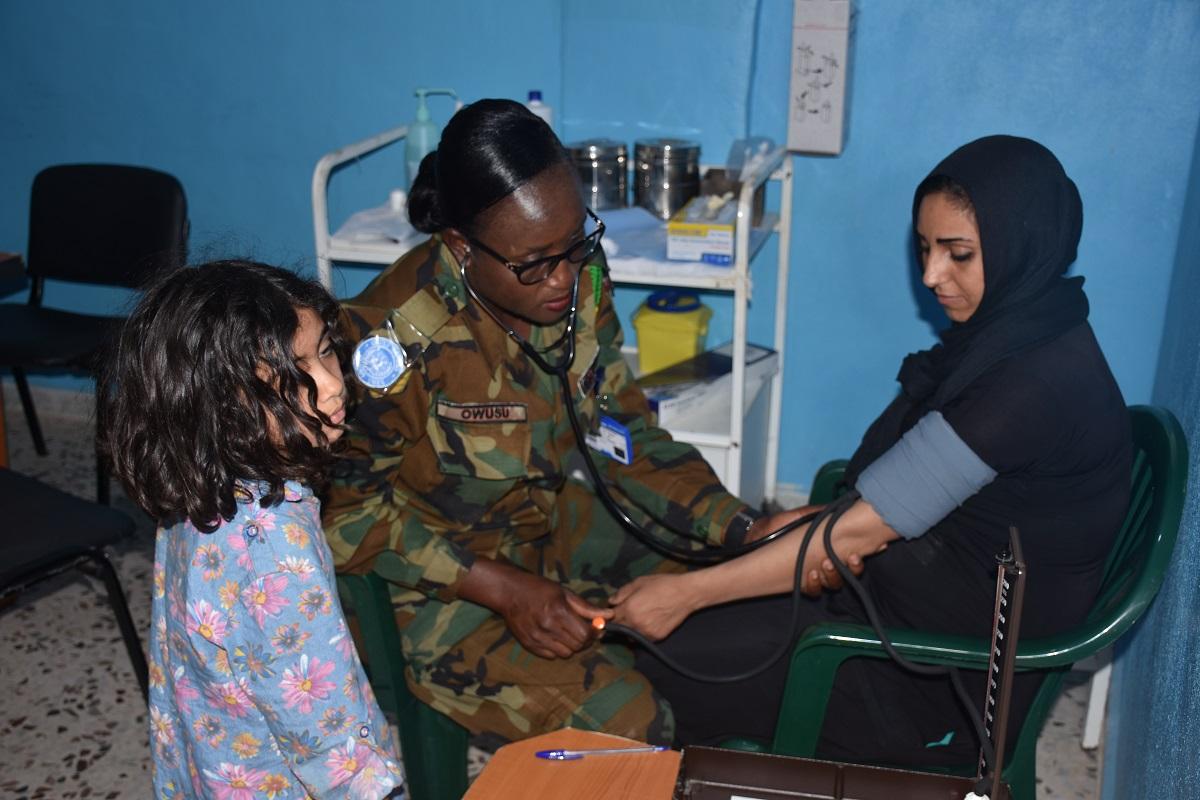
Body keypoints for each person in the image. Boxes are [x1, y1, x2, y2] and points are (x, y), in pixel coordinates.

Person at [611, 135, 1132, 765]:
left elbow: (857, 533)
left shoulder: (1029, 388)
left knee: (648, 666)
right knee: (679, 615)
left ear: (1024, 243)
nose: (931, 275)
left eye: (958, 254)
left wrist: (685, 595)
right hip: (893, 615)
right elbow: (886, 505)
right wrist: (799, 536)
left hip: (929, 679)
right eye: (925, 248)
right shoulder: (1023, 337)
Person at [321, 99, 770, 746]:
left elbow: (622, 433)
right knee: (629, 722)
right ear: (462, 248)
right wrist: (503, 590)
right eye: (535, 262)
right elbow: (342, 516)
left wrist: (739, 525)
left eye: (574, 243)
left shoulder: (579, 280)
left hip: (538, 528)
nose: (564, 278)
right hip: (426, 589)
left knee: (729, 596)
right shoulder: (389, 345)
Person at [97, 261, 404, 799]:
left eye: (326, 352)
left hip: (217, 763)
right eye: (294, 374)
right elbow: (325, 736)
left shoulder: (201, 486)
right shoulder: (275, 550)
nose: (333, 385)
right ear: (218, 403)